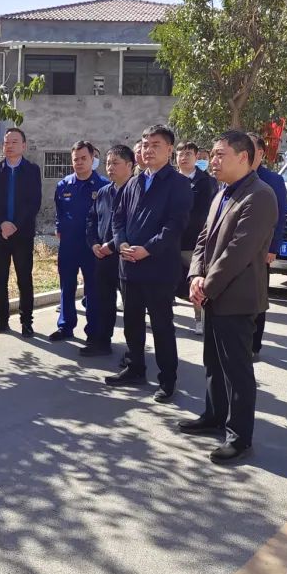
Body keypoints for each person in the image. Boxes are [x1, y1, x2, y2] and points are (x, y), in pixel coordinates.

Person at [180, 131, 278, 463]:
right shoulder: (222, 192)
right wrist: (195, 275)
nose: (213, 161)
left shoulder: (259, 196)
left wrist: (205, 286)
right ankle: (214, 415)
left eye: (221, 154)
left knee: (236, 370)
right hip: (212, 293)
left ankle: (239, 436)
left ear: (244, 157)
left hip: (237, 297)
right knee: (213, 362)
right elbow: (203, 238)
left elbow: (239, 252)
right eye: (213, 154)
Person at [105, 124, 192, 400]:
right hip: (129, 267)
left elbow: (175, 226)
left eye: (156, 145)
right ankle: (135, 368)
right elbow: (118, 218)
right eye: (145, 144)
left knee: (162, 325)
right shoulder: (134, 182)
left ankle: (167, 379)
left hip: (159, 269)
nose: (148, 150)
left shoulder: (178, 184)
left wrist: (148, 249)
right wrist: (121, 244)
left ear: (169, 150)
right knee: (132, 322)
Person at [0, 127, 41, 336]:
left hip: (22, 234)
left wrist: (14, 224)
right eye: (6, 142)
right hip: (0, 234)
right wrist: (2, 223)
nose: (9, 146)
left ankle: (26, 322)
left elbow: (34, 202)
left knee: (24, 279)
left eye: (14, 142)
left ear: (23, 146)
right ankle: (1, 320)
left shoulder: (32, 170)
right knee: (0, 280)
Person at [50, 141, 108, 343]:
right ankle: (65, 326)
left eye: (84, 158)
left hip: (92, 246)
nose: (79, 162)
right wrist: (59, 227)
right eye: (76, 159)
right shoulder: (64, 185)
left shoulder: (103, 186)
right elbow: (59, 211)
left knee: (93, 289)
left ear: (92, 159)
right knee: (67, 286)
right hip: (69, 245)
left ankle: (93, 332)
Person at [84, 144, 135, 357]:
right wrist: (94, 243)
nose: (110, 168)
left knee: (132, 308)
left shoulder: (137, 192)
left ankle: (134, 353)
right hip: (102, 257)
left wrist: (111, 246)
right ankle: (102, 341)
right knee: (104, 302)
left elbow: (132, 227)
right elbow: (92, 219)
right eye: (107, 163)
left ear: (130, 165)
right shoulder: (104, 192)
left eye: (115, 163)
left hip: (126, 258)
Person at [247, 132, 287, 362]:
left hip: (261, 250)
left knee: (257, 297)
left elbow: (279, 217)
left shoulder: (273, 180)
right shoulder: (232, 177)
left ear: (260, 153)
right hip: (236, 249)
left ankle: (254, 345)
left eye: (250, 147)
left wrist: (273, 247)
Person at [175, 141, 219, 335]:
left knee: (196, 280)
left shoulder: (206, 182)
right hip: (170, 240)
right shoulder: (170, 179)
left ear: (195, 157)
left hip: (193, 241)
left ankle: (199, 319)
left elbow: (202, 212)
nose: (183, 157)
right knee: (167, 280)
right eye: (180, 154)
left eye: (188, 154)